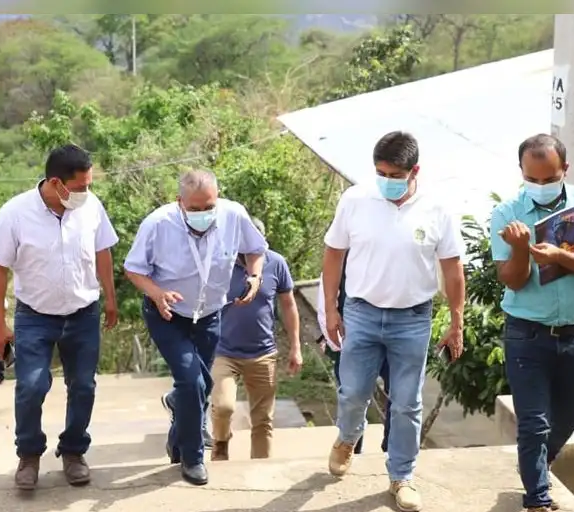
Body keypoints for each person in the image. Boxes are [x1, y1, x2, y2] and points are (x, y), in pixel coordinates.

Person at [321, 131, 465, 512]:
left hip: (412, 319)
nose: (386, 180)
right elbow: (333, 255)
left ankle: (402, 476)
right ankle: (348, 437)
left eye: (394, 174)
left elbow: (452, 268)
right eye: (380, 172)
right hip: (362, 312)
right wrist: (331, 309)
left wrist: (457, 320)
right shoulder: (356, 200)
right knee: (353, 392)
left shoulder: (436, 209)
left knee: (406, 402)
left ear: (414, 171)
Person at [490, 133, 574, 512]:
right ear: (521, 172)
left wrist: (561, 256)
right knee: (534, 422)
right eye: (532, 179)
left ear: (565, 170)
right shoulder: (507, 213)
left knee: (568, 418)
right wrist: (519, 249)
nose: (540, 186)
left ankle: (537, 465)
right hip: (526, 333)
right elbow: (512, 280)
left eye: (549, 178)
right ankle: (537, 498)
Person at [0, 144, 119, 491]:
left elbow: (102, 251)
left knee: (84, 385)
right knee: (31, 386)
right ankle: (29, 455)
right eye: (79, 187)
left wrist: (111, 298)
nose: (86, 192)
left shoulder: (91, 207)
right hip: (35, 316)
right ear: (56, 183)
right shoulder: (15, 213)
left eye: (88, 185)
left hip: (83, 312)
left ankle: (73, 451)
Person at [124, 169, 268, 485]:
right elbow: (133, 269)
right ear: (180, 202)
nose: (203, 214)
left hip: (209, 315)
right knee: (192, 382)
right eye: (195, 208)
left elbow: (256, 248)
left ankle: (178, 423)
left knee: (197, 386)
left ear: (218, 199)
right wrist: (157, 293)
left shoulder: (233, 215)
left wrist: (255, 276)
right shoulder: (158, 224)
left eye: (209, 207)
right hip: (167, 314)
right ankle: (193, 458)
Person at [204, 217, 303, 461]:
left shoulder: (276, 263)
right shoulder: (220, 264)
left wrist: (296, 347)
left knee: (262, 421)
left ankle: (261, 468)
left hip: (262, 353)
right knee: (223, 407)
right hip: (223, 351)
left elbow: (289, 305)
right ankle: (220, 442)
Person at [316, 258, 392, 455]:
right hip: (351, 341)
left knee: (399, 393)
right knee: (353, 397)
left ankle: (392, 448)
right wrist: (339, 345)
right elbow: (326, 302)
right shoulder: (342, 257)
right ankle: (350, 447)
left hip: (391, 340)